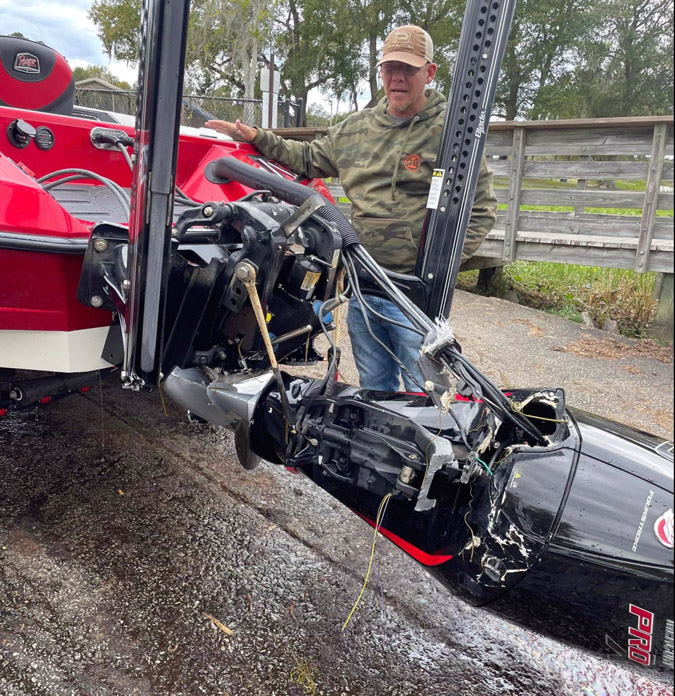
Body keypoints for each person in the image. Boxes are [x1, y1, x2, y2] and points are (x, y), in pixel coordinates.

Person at [205, 25, 497, 393]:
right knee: (375, 388)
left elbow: (483, 209)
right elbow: (309, 159)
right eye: (390, 68)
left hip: (414, 294)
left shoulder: (450, 132)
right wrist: (257, 138)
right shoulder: (358, 128)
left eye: (408, 69)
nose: (398, 79)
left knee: (424, 394)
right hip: (362, 285)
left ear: (430, 72)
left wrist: (439, 269)